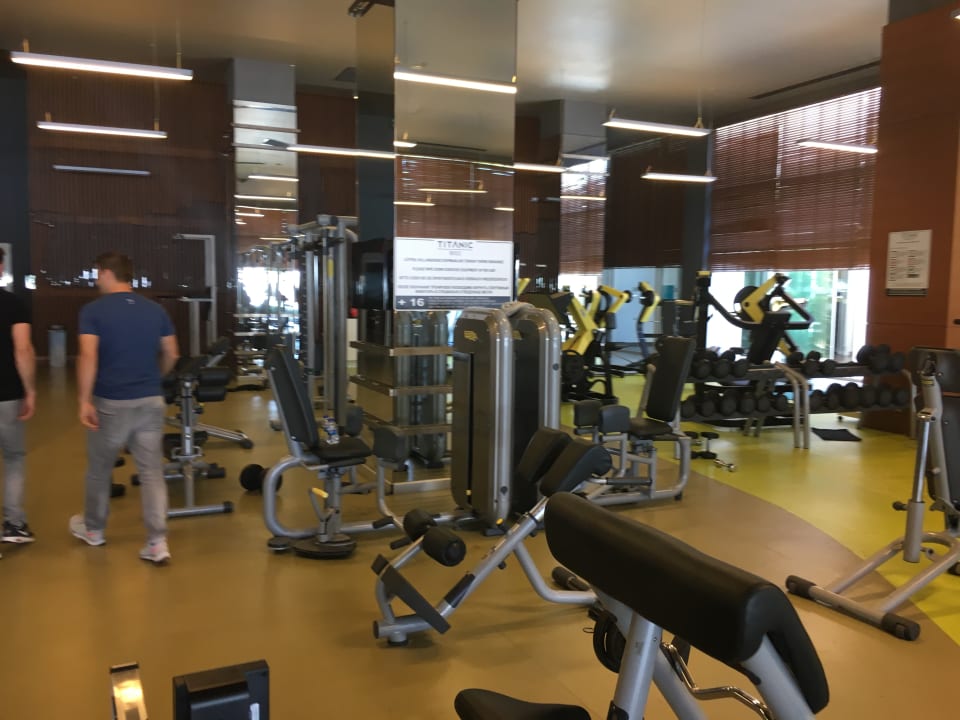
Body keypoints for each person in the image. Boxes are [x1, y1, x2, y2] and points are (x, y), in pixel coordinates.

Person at [70, 252, 179, 564]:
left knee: (100, 469)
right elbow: (172, 353)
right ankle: (157, 543)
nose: (96, 281)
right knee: (151, 471)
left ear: (106, 273)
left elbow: (88, 356)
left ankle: (94, 530)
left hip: (110, 401)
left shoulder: (93, 311)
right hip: (150, 400)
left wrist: (84, 400)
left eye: (97, 274)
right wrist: (156, 378)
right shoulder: (155, 309)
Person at [0, 246, 36, 548]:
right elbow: (22, 350)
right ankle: (13, 524)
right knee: (12, 458)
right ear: (1, 268)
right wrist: (30, 390)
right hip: (7, 394)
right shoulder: (13, 304)